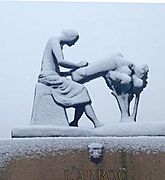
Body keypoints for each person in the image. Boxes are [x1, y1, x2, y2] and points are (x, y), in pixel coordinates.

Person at [38, 29, 102, 128]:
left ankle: (75, 122)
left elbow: (55, 68)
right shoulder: (55, 40)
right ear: (70, 37)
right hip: (48, 77)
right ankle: (96, 123)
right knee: (81, 90)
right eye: (74, 41)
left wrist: (67, 73)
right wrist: (77, 65)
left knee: (80, 93)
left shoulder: (56, 42)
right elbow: (61, 61)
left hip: (53, 76)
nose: (73, 44)